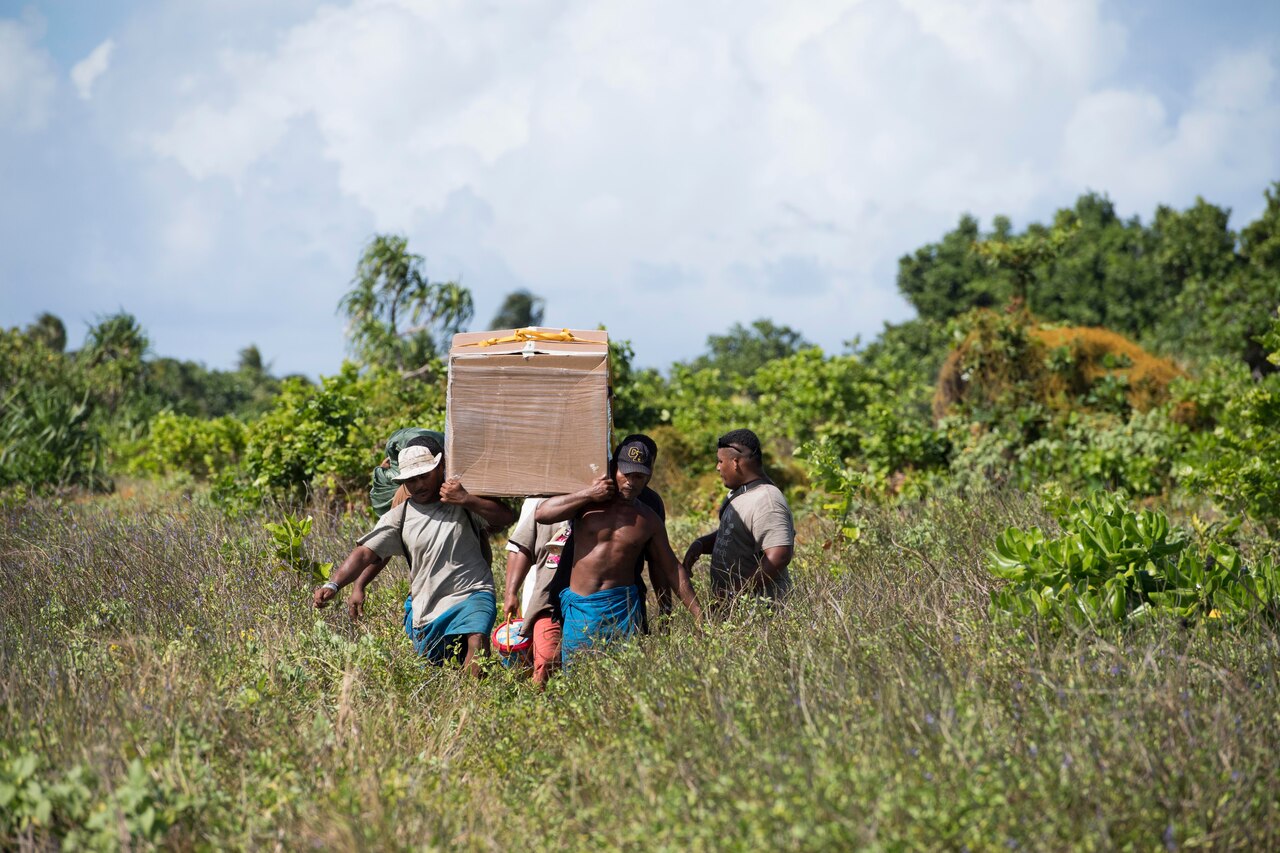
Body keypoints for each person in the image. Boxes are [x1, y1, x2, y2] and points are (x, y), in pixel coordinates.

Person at [313, 440, 515, 676]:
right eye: (411, 480)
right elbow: (365, 553)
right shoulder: (400, 516)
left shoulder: (462, 501)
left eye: (424, 476)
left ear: (440, 470)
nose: (419, 484)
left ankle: (477, 701)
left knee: (477, 637)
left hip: (473, 591)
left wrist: (466, 499)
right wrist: (334, 584)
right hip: (429, 606)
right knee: (439, 672)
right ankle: (458, 705)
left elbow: (506, 517)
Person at [535, 438, 701, 665]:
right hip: (580, 608)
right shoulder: (588, 501)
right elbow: (542, 514)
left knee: (620, 675)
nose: (631, 482)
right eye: (626, 474)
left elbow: (671, 568)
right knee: (576, 675)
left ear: (649, 477)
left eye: (639, 477)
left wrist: (700, 617)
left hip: (622, 610)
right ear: (613, 469)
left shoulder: (648, 519)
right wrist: (588, 494)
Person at [682, 428, 795, 605]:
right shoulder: (741, 494)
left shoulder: (767, 500)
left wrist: (739, 593)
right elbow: (735, 534)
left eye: (720, 461)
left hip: (761, 616)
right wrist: (701, 544)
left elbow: (779, 555)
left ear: (735, 462)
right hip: (735, 613)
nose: (717, 467)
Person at [502, 497, 570, 685]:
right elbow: (518, 548)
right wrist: (511, 593)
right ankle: (540, 707)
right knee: (545, 660)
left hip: (584, 600)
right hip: (543, 600)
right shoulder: (537, 503)